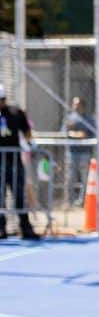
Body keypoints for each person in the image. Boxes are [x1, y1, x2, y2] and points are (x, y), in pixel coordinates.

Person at [0, 85, 39, 240]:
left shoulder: (16, 113)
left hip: (14, 161)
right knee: (0, 197)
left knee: (19, 195)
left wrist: (30, 144)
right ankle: (1, 228)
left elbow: (27, 132)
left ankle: (25, 227)